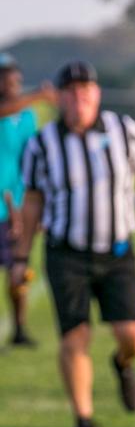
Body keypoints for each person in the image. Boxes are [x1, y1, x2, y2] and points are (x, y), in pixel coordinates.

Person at [13, 60, 135, 427]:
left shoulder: (124, 131)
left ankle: (122, 363)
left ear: (97, 95)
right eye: (70, 92)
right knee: (75, 336)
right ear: (58, 99)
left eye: (86, 91)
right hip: (65, 252)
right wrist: (21, 255)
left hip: (117, 251)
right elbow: (33, 201)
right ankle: (83, 419)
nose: (79, 99)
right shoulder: (42, 144)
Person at [0, 52, 55, 348]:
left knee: (18, 270)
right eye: (5, 76)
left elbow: (34, 160)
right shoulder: (12, 108)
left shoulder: (28, 116)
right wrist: (40, 95)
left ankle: (19, 329)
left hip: (17, 207)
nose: (11, 81)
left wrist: (36, 207)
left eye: (13, 75)